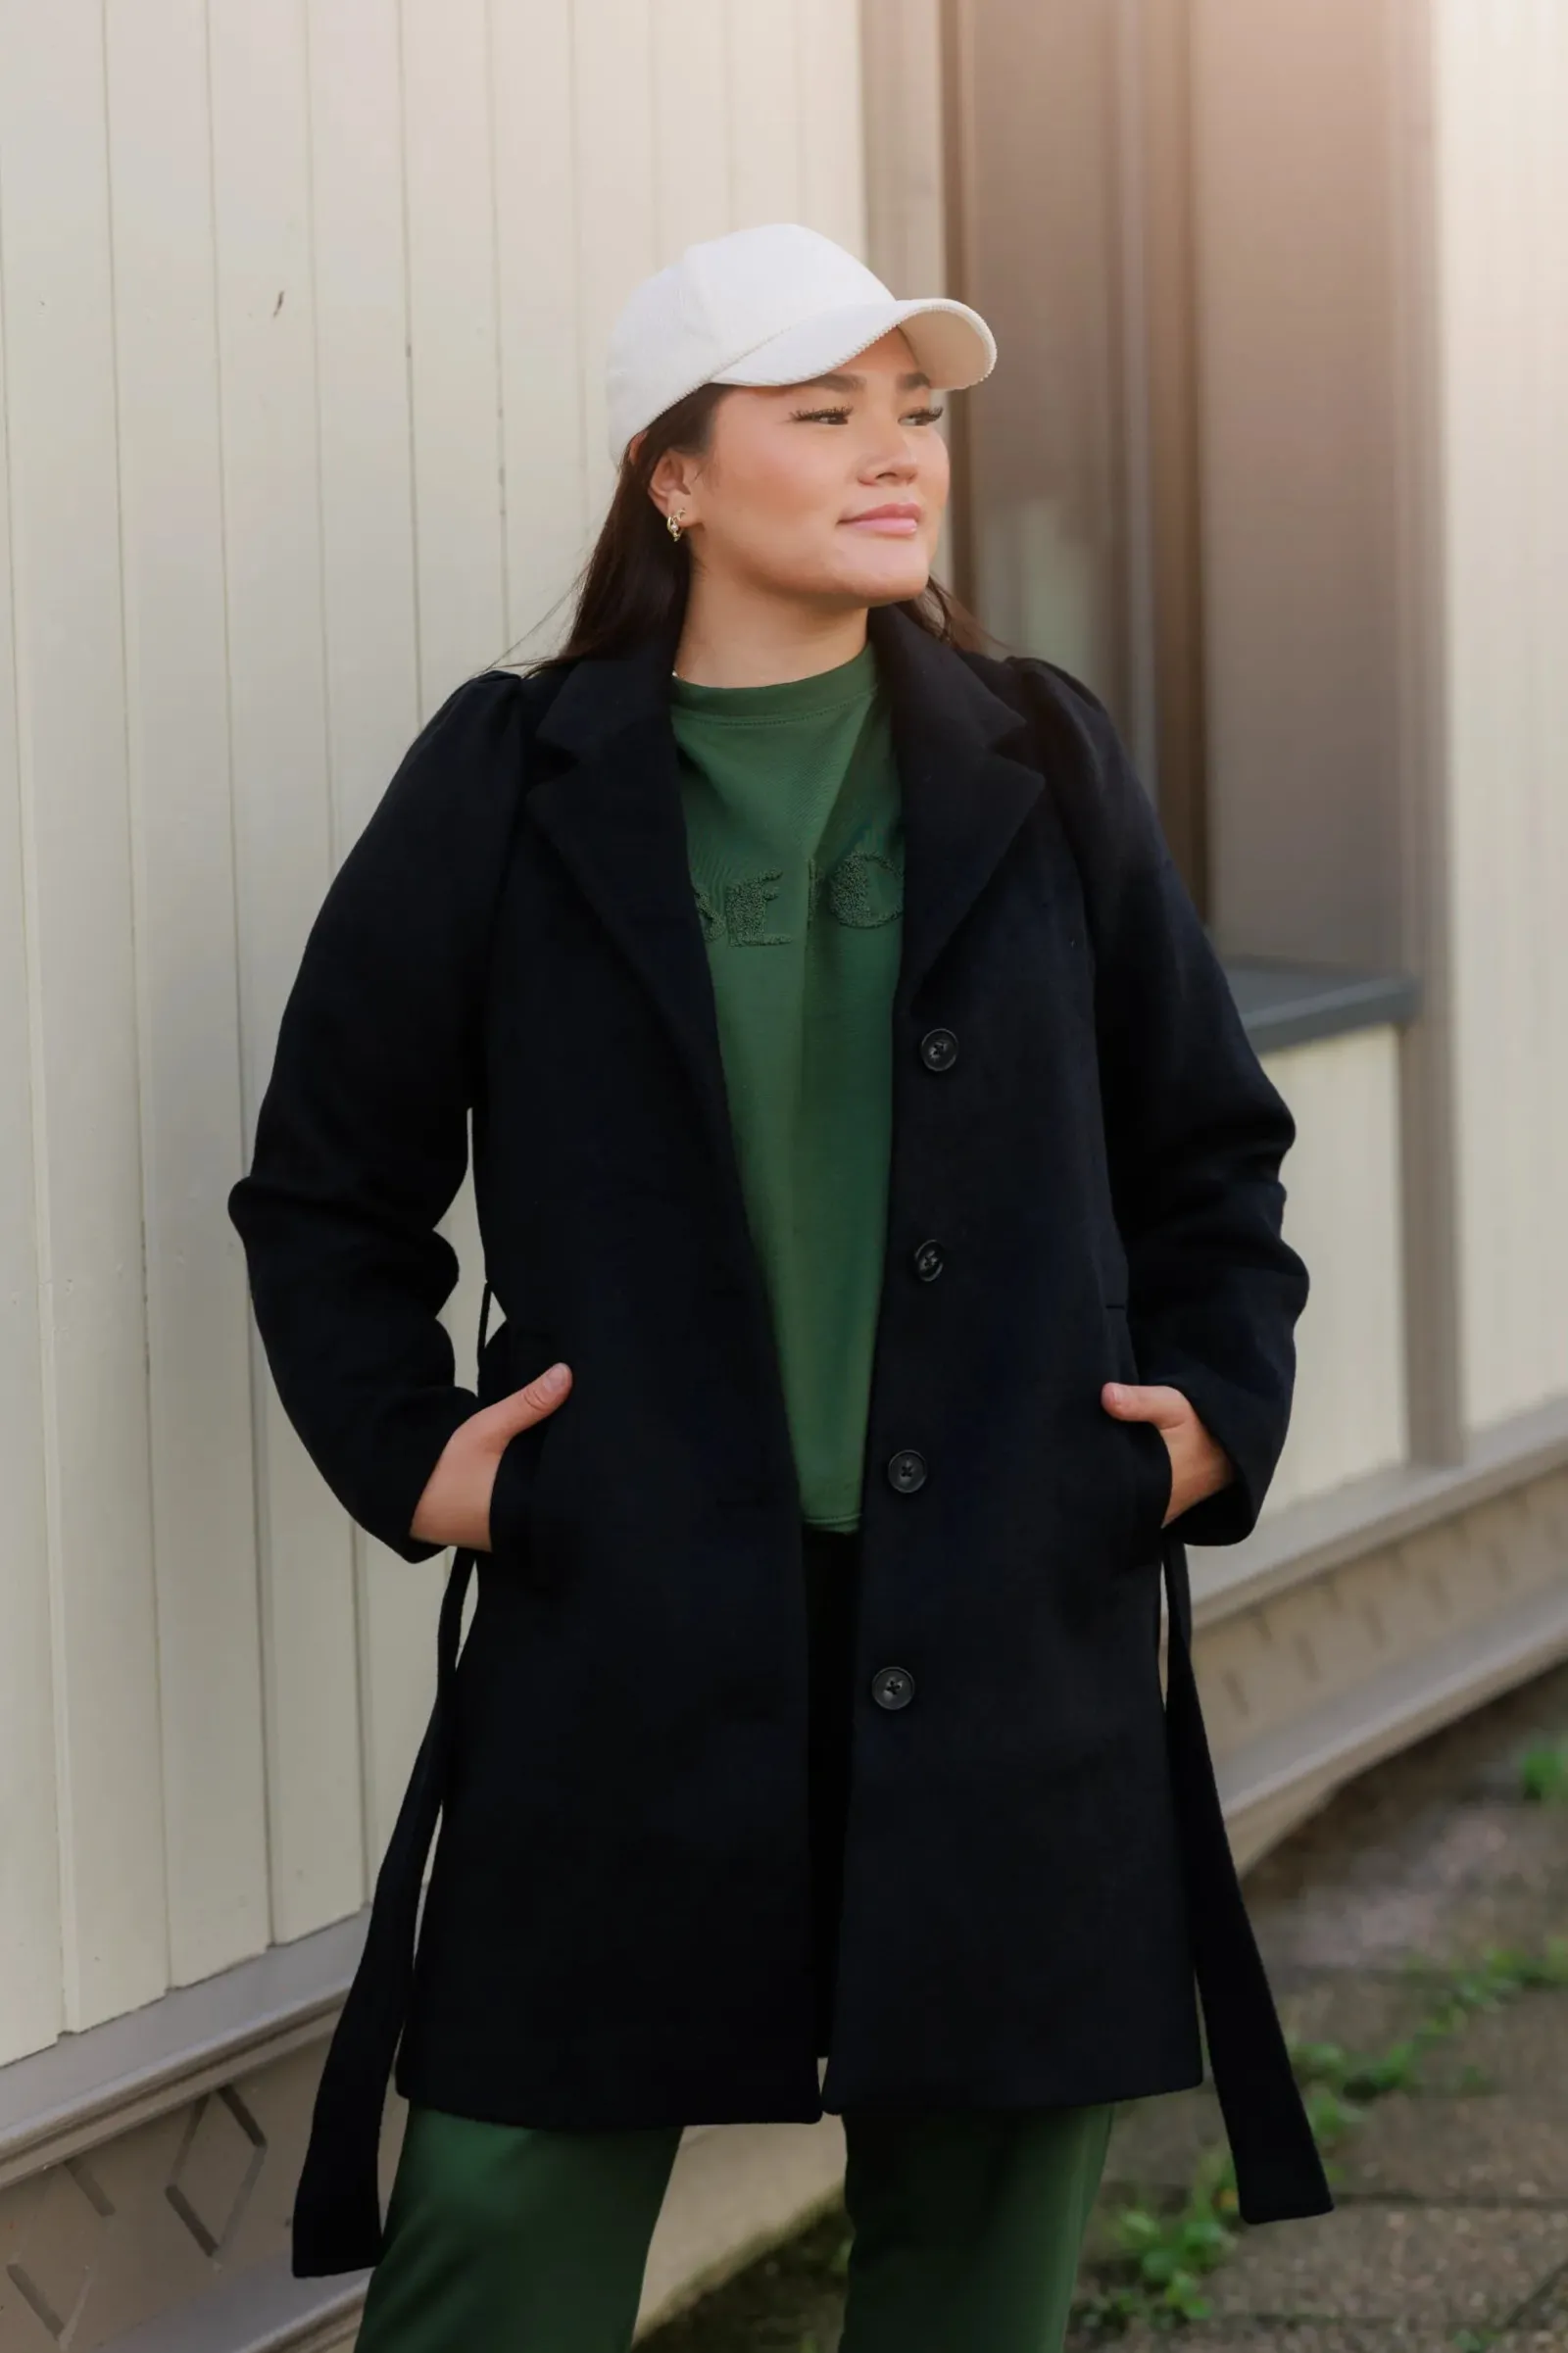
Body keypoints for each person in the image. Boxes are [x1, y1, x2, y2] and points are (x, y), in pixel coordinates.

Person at [228, 221, 1329, 2353]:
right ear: (674, 474)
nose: (893, 450)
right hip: (630, 1619)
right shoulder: (511, 776)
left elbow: (1208, 1149)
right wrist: (422, 1460)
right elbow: (327, 1190)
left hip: (1006, 1614)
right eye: (821, 412)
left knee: (978, 2270)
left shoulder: (1042, 756)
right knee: (498, 2242)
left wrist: (1208, 1414)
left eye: (910, 411)